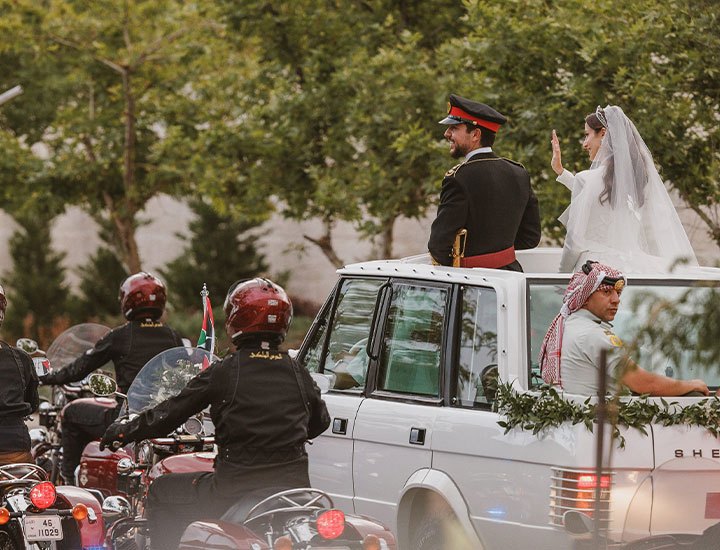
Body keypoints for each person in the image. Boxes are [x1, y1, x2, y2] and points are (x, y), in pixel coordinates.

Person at [99, 278, 330, 550]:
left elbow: (170, 413)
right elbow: (320, 421)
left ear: (236, 319)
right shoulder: (297, 371)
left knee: (161, 490)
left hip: (235, 489)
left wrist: (125, 430)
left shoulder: (226, 372)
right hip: (295, 491)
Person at [40, 272, 184, 484]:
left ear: (127, 301)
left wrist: (49, 377)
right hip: (166, 417)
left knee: (71, 413)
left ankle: (70, 481)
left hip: (127, 417)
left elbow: (81, 368)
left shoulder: (121, 336)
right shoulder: (173, 336)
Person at [550, 105, 698, 273]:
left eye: (587, 135)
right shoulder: (633, 184)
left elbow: (574, 240)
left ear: (603, 134)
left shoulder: (587, 179)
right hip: (626, 269)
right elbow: (598, 194)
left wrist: (561, 277)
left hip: (592, 272)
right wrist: (561, 172)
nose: (585, 144)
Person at [539, 260, 710, 396]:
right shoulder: (593, 335)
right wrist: (690, 385)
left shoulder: (571, 325)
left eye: (617, 293)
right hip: (600, 430)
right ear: (585, 297)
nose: (616, 299)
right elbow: (643, 383)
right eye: (607, 293)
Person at [428, 93, 541, 271]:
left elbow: (438, 246)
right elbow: (530, 238)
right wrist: (497, 254)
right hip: (512, 277)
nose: (447, 133)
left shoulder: (458, 178)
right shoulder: (519, 173)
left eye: (454, 128)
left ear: (475, 134)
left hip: (473, 286)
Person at [0, 284, 40, 465]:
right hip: (15, 446)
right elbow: (32, 403)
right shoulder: (21, 358)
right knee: (32, 488)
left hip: (15, 447)